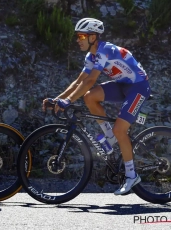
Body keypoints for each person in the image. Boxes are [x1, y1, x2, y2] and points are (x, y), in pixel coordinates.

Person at [43, 17, 151, 195]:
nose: (78, 40)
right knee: (89, 96)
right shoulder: (90, 56)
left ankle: (132, 176)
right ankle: (109, 136)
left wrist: (68, 101)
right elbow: (80, 81)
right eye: (77, 36)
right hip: (122, 85)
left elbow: (91, 79)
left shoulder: (104, 50)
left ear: (93, 36)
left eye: (81, 36)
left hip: (138, 87)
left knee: (120, 130)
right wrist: (58, 99)